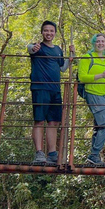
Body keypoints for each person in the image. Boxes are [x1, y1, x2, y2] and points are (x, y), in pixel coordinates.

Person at [28, 20, 74, 163]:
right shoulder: (38, 47)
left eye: (51, 31)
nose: (49, 33)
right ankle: (39, 153)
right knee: (39, 121)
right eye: (46, 31)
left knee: (53, 122)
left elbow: (62, 68)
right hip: (40, 88)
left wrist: (70, 57)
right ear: (42, 32)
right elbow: (30, 48)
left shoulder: (58, 50)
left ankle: (52, 153)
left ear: (55, 33)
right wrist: (31, 47)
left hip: (55, 89)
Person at [78, 34, 105, 165]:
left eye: (102, 41)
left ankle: (94, 156)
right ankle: (93, 154)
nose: (100, 43)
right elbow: (82, 77)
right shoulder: (88, 57)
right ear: (93, 43)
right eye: (97, 41)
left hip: (104, 96)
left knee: (100, 126)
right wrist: (100, 75)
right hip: (93, 93)